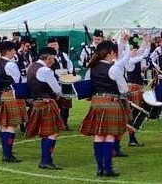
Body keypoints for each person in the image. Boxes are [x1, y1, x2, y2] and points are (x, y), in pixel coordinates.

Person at [80, 40, 128, 177]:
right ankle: (107, 168)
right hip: (111, 102)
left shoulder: (92, 68)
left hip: (96, 102)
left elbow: (88, 84)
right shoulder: (114, 68)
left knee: (98, 135)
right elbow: (123, 89)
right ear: (110, 53)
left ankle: (100, 168)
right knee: (109, 135)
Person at [24, 47, 65, 170]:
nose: (54, 61)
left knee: (45, 132)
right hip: (46, 102)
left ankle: (45, 159)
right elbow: (57, 90)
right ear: (48, 58)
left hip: (36, 103)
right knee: (52, 132)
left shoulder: (31, 67)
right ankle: (46, 160)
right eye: (53, 59)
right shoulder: (46, 70)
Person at [0, 41, 28, 163]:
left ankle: (6, 152)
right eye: (13, 50)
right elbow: (17, 80)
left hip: (5, 94)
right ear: (8, 51)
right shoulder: (10, 64)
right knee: (11, 125)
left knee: (5, 126)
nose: (15, 52)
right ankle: (7, 154)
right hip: (13, 94)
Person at [47, 37, 74, 130]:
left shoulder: (64, 55)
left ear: (58, 45)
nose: (53, 47)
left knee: (65, 104)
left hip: (66, 82)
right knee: (55, 104)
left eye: (55, 45)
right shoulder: (47, 57)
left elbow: (70, 65)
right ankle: (54, 123)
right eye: (51, 45)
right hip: (54, 82)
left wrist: (69, 72)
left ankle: (64, 123)